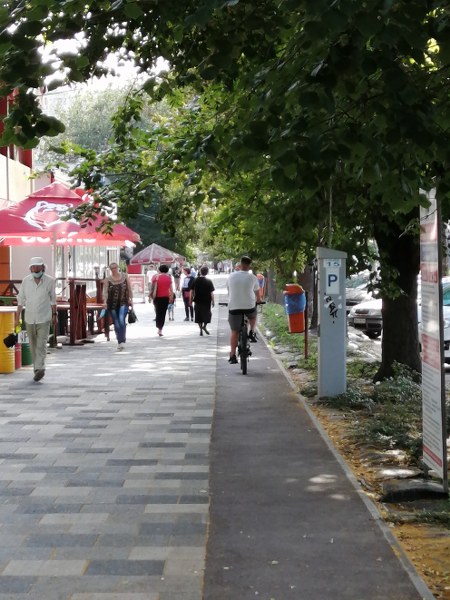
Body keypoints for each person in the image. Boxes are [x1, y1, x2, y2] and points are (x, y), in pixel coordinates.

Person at [14, 257, 57, 382]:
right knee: (33, 345)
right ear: (30, 268)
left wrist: (55, 315)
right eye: (34, 267)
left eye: (38, 266)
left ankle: (40, 368)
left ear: (43, 267)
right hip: (29, 318)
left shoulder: (50, 281)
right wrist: (17, 318)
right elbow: (20, 301)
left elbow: (53, 300)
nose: (36, 269)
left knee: (41, 344)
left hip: (44, 318)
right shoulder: (26, 281)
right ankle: (37, 369)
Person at [226, 255, 261, 364]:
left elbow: (229, 292)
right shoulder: (253, 277)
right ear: (250, 266)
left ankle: (232, 355)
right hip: (249, 307)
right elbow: (258, 295)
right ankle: (252, 332)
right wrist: (259, 300)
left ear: (240, 264)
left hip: (234, 307)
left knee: (234, 331)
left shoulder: (231, 276)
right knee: (253, 315)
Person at [103, 262, 133, 351]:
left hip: (123, 302)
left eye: (115, 268)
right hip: (112, 304)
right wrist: (105, 302)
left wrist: (131, 299)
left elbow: (129, 288)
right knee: (116, 322)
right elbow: (105, 291)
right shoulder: (108, 279)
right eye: (112, 268)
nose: (114, 270)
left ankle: (122, 339)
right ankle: (120, 341)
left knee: (121, 320)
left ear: (118, 268)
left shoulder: (124, 276)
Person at [150, 264, 174, 336]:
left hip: (156, 297)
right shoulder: (169, 277)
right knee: (163, 313)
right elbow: (171, 288)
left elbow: (152, 287)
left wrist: (150, 296)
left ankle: (158, 325)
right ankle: (160, 329)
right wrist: (171, 297)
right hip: (165, 297)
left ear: (159, 270)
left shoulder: (155, 277)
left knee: (158, 312)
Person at [191, 266, 215, 336]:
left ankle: (201, 329)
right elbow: (211, 292)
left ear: (200, 271)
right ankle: (204, 326)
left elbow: (191, 291)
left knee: (198, 315)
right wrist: (213, 301)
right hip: (207, 301)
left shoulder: (195, 280)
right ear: (207, 272)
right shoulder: (209, 281)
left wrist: (191, 299)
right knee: (207, 314)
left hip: (197, 300)